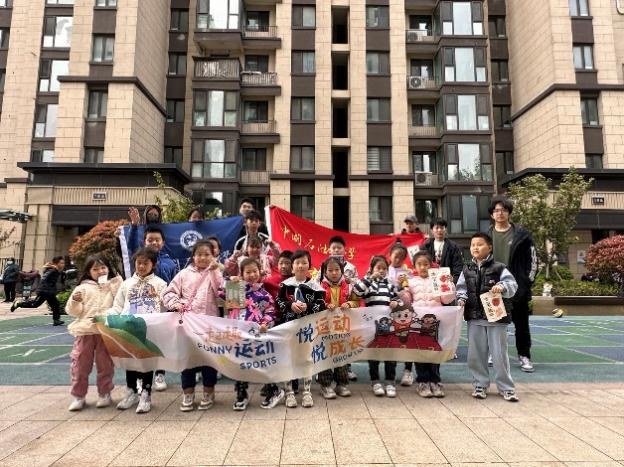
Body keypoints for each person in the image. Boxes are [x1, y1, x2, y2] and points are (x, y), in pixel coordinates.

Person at [456, 233, 519, 402]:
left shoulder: (499, 267)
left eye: (480, 244)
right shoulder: (466, 269)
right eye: (473, 245)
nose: (475, 247)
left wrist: (502, 287)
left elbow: (512, 285)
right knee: (475, 355)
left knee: (499, 356)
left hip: (496, 319)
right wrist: (461, 298)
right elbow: (461, 288)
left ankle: (506, 387)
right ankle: (480, 384)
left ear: (489, 247)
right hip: (474, 318)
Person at [162, 240, 224, 412]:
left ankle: (208, 393)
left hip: (209, 325)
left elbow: (222, 292)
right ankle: (188, 394)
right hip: (188, 325)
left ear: (213, 256)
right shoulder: (183, 274)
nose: (203, 258)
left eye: (207, 254)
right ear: (193, 256)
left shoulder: (216, 272)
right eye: (199, 254)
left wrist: (215, 272)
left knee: (209, 361)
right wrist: (175, 304)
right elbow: (169, 292)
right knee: (187, 361)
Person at [108, 248, 167, 413]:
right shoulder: (126, 284)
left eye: (145, 263)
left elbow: (165, 307)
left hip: (150, 330)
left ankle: (146, 395)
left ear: (153, 264)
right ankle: (132, 391)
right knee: (130, 360)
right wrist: (108, 317)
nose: (141, 266)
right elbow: (118, 306)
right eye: (138, 263)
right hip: (129, 328)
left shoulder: (160, 284)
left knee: (147, 361)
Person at [223, 258, 283, 410]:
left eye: (254, 271)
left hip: (258, 336)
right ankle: (241, 394)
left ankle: (273, 391)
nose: (252, 275)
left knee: (262, 364)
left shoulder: (264, 294)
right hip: (239, 336)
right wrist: (230, 281)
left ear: (260, 272)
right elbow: (220, 292)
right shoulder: (236, 289)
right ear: (242, 274)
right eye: (248, 272)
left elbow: (270, 312)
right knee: (239, 365)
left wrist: (265, 323)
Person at [487, 196, 538, 373]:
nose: (500, 213)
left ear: (509, 212)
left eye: (503, 210)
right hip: (493, 287)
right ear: (492, 214)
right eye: (496, 210)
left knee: (521, 325)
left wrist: (525, 283)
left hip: (517, 287)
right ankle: (494, 353)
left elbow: (533, 261)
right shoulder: (486, 235)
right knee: (494, 324)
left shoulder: (522, 235)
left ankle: (524, 356)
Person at [66, 255, 123, 411]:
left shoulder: (114, 285)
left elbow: (121, 303)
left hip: (106, 330)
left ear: (108, 269)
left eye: (103, 267)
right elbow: (73, 311)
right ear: (88, 271)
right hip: (85, 331)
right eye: (95, 269)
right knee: (80, 363)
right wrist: (75, 301)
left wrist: (115, 282)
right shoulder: (82, 288)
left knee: (105, 364)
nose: (100, 271)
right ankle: (78, 396)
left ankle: (105, 393)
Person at [276, 249, 326, 408]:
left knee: (306, 359)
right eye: (297, 263)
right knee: (288, 359)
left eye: (304, 262)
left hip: (308, 330)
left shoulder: (315, 286)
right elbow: (278, 302)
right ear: (292, 267)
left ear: (309, 266)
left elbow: (321, 305)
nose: (301, 265)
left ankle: (307, 392)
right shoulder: (285, 285)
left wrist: (308, 306)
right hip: (289, 329)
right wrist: (290, 305)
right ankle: (289, 393)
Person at [402, 251, 455, 397]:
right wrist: (402, 290)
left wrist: (449, 284)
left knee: (434, 352)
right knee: (420, 353)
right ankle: (423, 382)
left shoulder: (438, 280)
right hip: (418, 324)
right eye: (419, 264)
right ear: (414, 266)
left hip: (435, 323)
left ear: (431, 265)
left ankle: (435, 381)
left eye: (426, 264)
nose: (423, 267)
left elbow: (447, 300)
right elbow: (406, 301)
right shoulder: (411, 282)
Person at [353, 255, 403, 398]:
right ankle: (375, 381)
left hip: (389, 327)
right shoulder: (368, 284)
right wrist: (369, 278)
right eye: (378, 268)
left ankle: (390, 381)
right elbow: (356, 292)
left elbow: (399, 299)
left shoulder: (389, 284)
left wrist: (396, 302)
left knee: (390, 355)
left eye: (384, 268)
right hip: (372, 327)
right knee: (373, 355)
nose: (381, 271)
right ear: (372, 268)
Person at [317, 257, 358, 399]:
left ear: (342, 271)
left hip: (343, 328)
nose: (334, 273)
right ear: (325, 272)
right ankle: (325, 386)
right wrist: (324, 305)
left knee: (342, 356)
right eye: (330, 270)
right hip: (325, 329)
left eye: (337, 270)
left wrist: (350, 304)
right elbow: (316, 304)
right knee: (326, 356)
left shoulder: (349, 286)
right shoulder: (318, 287)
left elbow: (357, 301)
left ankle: (342, 384)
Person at [11, 256, 66, 326]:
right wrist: (46, 288)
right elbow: (44, 279)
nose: (63, 264)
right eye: (61, 263)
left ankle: (56, 320)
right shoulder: (52, 270)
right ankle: (18, 304)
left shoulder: (56, 270)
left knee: (56, 304)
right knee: (35, 304)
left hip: (50, 292)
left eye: (63, 263)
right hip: (44, 291)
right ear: (56, 263)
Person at [422, 218, 464, 284]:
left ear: (445, 229)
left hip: (447, 281)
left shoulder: (453, 246)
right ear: (432, 230)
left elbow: (458, 266)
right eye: (437, 228)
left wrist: (454, 279)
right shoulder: (426, 246)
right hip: (429, 281)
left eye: (442, 228)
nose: (439, 230)